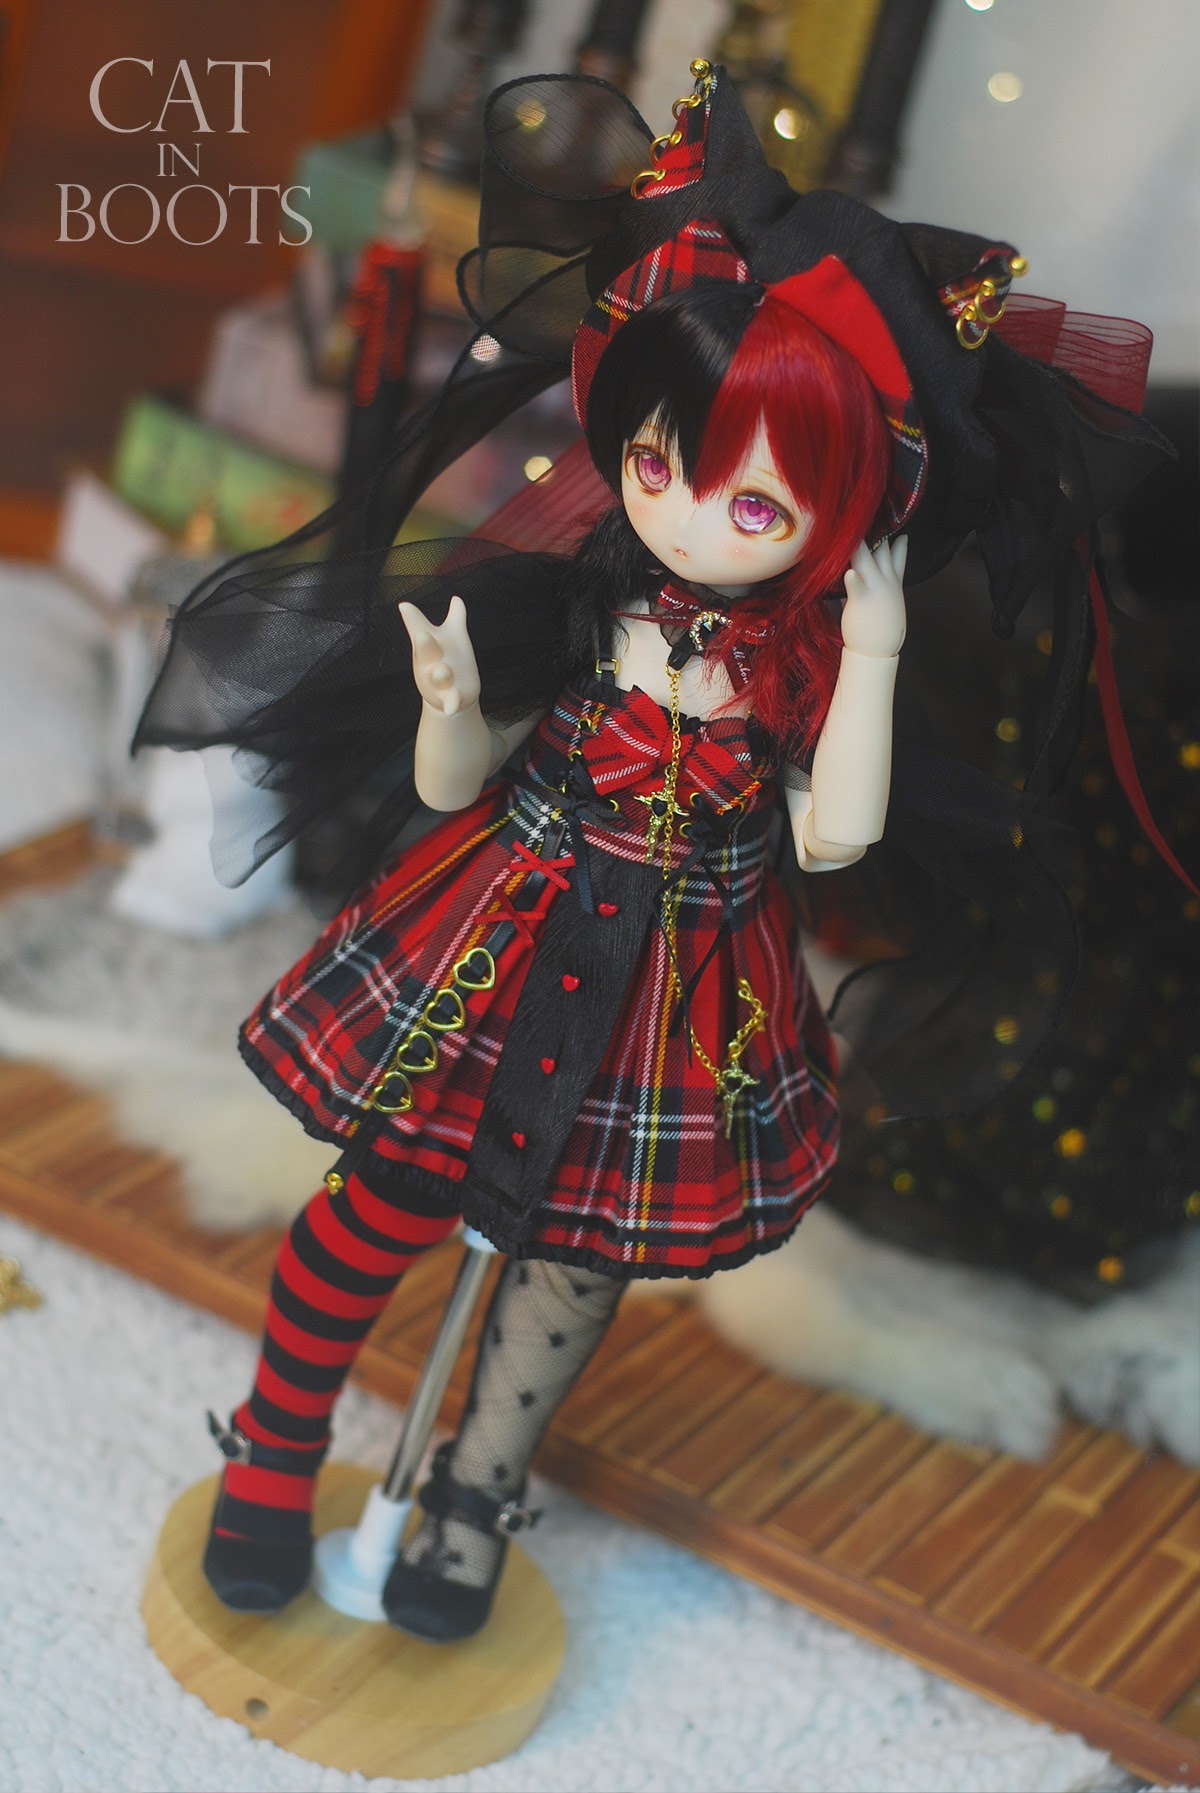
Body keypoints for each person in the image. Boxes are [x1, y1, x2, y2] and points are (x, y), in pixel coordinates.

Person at [134, 62, 1172, 1642]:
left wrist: (875, 656)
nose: (688, 515)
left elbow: (836, 830)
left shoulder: (801, 667)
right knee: (375, 1195)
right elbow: (455, 783)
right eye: (662, 462)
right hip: (502, 921)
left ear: (841, 511)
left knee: (572, 1259)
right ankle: (275, 1443)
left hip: (678, 982)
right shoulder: (583, 606)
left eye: (754, 504)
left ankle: (474, 1494)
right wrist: (450, 710)